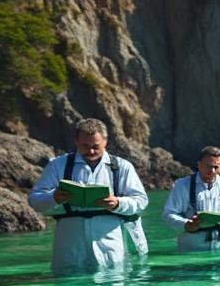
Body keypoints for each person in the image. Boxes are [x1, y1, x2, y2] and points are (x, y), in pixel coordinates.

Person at [27, 117, 149, 274]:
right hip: (69, 241)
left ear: (105, 142)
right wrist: (54, 198)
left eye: (95, 146)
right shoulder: (57, 165)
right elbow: (34, 200)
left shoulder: (122, 167)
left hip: (110, 240)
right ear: (76, 141)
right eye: (85, 146)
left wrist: (117, 203)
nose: (91, 151)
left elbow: (141, 201)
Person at [163, 146, 220, 253]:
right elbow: (169, 214)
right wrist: (186, 224)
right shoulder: (182, 185)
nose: (213, 171)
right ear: (199, 165)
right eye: (209, 167)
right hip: (193, 251)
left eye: (216, 167)